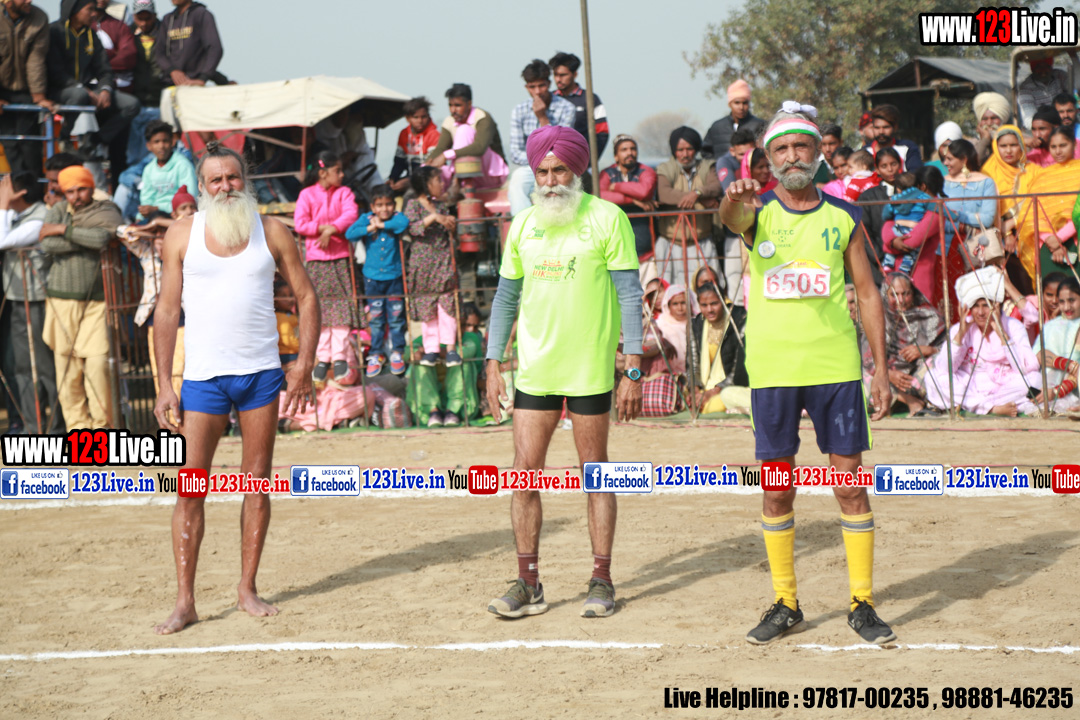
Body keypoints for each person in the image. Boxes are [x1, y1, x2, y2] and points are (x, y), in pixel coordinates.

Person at [719, 101, 894, 645]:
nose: (792, 156)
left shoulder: (844, 216)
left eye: (801, 146)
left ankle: (862, 603)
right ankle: (786, 603)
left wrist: (880, 369)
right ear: (768, 159)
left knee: (850, 486)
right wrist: (733, 199)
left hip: (835, 368)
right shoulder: (756, 211)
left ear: (819, 153)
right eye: (781, 149)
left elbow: (868, 293)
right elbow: (731, 220)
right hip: (772, 371)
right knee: (778, 492)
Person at [151, 143, 319, 635]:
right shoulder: (182, 234)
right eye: (215, 180)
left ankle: (247, 588)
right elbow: (167, 310)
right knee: (191, 488)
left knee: (257, 482)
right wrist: (164, 385)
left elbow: (307, 297)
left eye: (233, 177)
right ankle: (185, 601)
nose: (225, 186)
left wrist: (304, 364)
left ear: (246, 179)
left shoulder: (273, 232)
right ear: (202, 187)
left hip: (261, 375)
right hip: (202, 379)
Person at [484, 125, 642, 619]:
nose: (551, 181)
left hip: (591, 371)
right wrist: (493, 362)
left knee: (596, 475)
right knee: (523, 474)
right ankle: (528, 583)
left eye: (560, 171)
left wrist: (633, 367)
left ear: (578, 171)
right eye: (542, 172)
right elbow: (505, 299)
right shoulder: (523, 226)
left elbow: (630, 296)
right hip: (535, 372)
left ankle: (602, 580)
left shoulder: (608, 219)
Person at [39, 165, 122, 429]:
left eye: (82, 189)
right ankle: (79, 432)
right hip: (60, 301)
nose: (76, 196)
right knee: (68, 373)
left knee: (98, 368)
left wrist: (63, 231)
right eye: (70, 191)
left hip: (97, 301)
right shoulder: (58, 210)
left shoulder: (104, 209)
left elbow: (101, 237)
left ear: (91, 188)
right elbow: (46, 242)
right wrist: (80, 238)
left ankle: (103, 432)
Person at [925, 268, 1042, 416]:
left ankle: (973, 406)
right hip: (970, 386)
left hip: (1003, 386)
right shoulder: (962, 327)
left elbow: (1024, 369)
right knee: (932, 377)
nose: (980, 312)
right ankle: (991, 408)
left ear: (996, 305)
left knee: (1035, 380)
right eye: (975, 306)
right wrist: (961, 334)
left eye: (986, 305)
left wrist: (1002, 334)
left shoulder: (1013, 326)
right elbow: (944, 369)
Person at [293, 150, 360, 386]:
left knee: (342, 308)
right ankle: (322, 357)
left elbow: (351, 214)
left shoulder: (345, 193)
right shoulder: (307, 195)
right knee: (318, 308)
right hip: (316, 260)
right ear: (323, 173)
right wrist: (325, 228)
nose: (341, 175)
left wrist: (333, 229)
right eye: (337, 171)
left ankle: (340, 356)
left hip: (341, 258)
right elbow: (300, 223)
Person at [0, 172, 60, 433]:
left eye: (5, 187)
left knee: (46, 367)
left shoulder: (39, 218)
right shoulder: (14, 216)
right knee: (22, 367)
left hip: (36, 300)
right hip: (16, 298)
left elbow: (1, 241)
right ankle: (32, 427)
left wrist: (3, 205)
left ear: (20, 192)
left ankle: (55, 427)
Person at [46, 0, 140, 164]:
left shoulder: (91, 35)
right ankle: (64, 138)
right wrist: (81, 88)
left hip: (87, 89)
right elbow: (55, 71)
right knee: (79, 94)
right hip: (59, 89)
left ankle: (95, 140)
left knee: (132, 104)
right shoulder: (54, 31)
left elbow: (104, 69)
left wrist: (105, 90)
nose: (94, 14)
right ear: (75, 10)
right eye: (89, 10)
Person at [860, 272, 945, 416]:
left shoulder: (929, 316)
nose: (901, 300)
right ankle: (906, 400)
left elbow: (951, 350)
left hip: (915, 381)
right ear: (885, 295)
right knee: (861, 375)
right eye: (894, 295)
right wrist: (888, 374)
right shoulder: (878, 320)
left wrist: (928, 350)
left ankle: (927, 402)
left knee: (940, 363)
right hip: (887, 383)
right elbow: (867, 359)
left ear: (913, 293)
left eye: (906, 294)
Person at [346, 184, 408, 377]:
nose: (384, 209)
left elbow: (403, 224)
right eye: (379, 205)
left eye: (388, 204)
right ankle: (376, 353)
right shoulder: (366, 219)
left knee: (396, 318)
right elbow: (350, 234)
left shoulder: (396, 218)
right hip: (372, 279)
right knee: (376, 319)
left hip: (394, 278)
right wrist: (370, 227)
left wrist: (381, 225)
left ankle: (397, 352)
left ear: (394, 205)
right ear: (373, 207)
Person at [404, 167, 459, 367]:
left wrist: (450, 222)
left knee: (447, 305)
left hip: (443, 262)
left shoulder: (442, 206)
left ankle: (450, 348)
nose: (442, 184)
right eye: (438, 180)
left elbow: (451, 231)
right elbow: (412, 228)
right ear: (426, 184)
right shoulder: (413, 205)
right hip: (423, 266)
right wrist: (434, 218)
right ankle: (431, 349)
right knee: (427, 307)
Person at [654, 126, 721, 288]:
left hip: (702, 240)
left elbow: (716, 187)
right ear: (674, 151)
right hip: (671, 242)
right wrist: (700, 199)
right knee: (671, 291)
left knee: (708, 288)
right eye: (680, 150)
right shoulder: (665, 168)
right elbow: (664, 193)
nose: (685, 154)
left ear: (696, 149)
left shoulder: (707, 166)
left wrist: (697, 193)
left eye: (689, 149)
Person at [507, 60, 576, 217]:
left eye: (541, 86)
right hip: (531, 167)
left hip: (559, 165)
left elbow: (562, 148)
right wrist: (539, 161)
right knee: (517, 181)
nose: (537, 92)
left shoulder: (566, 108)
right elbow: (515, 153)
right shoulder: (519, 111)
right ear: (527, 87)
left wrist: (542, 117)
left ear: (549, 84)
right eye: (532, 87)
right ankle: (524, 224)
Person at [1018, 126, 1080, 283]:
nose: (1058, 151)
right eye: (1053, 147)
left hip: (1075, 241)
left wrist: (1060, 237)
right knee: (1050, 292)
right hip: (1047, 246)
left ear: (1074, 144)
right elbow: (1032, 215)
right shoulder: (1042, 176)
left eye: (1063, 145)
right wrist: (1050, 239)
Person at [0, 0, 53, 177]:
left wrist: (38, 96)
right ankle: (18, 187)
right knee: (9, 143)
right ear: (7, 2)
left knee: (30, 144)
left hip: (26, 90)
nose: (29, 1)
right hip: (2, 91)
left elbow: (36, 60)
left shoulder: (39, 18)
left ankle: (34, 189)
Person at [425, 83, 509, 192]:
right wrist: (426, 166)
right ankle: (455, 183)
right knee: (430, 172)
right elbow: (441, 149)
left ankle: (459, 182)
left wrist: (446, 155)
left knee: (464, 130)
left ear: (469, 104)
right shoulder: (449, 121)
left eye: (457, 105)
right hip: (462, 172)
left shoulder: (482, 117)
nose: (453, 110)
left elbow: (479, 148)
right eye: (450, 105)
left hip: (491, 173)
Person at [688, 281, 748, 414]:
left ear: (723, 301)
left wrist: (714, 392)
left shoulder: (738, 320)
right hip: (704, 387)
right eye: (704, 305)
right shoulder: (696, 324)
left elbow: (738, 370)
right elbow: (692, 364)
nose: (709, 309)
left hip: (730, 387)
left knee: (716, 404)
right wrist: (695, 392)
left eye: (714, 303)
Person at [598, 133, 656, 257]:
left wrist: (616, 187)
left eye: (633, 149)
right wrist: (632, 200)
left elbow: (644, 191)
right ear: (616, 156)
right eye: (624, 150)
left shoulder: (646, 171)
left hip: (645, 249)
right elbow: (599, 196)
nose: (630, 153)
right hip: (615, 247)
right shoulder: (606, 174)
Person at [940, 139, 998, 253]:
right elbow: (937, 220)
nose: (945, 163)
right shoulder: (942, 183)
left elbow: (987, 219)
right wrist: (965, 226)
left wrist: (956, 215)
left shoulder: (986, 183)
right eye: (945, 159)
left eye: (949, 159)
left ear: (964, 160)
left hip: (977, 249)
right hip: (944, 248)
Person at [128, 0, 168, 166]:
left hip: (160, 103)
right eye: (140, 18)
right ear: (134, 17)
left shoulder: (166, 35)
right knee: (133, 155)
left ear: (155, 16)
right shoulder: (127, 36)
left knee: (158, 154)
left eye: (148, 18)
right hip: (136, 105)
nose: (144, 23)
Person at [1032, 276, 1080, 412]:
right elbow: (1039, 355)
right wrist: (1067, 364)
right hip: (1048, 382)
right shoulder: (1050, 326)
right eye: (1062, 302)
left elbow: (1077, 371)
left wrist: (1056, 391)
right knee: (1026, 383)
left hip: (1073, 386)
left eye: (1072, 300)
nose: (1067, 307)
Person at [549, 51, 609, 157]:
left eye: (563, 75)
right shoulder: (549, 99)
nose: (558, 79)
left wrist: (588, 160)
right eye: (555, 75)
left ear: (575, 74)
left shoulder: (590, 99)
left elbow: (602, 132)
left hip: (580, 158)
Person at [858, 147, 903, 285]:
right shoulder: (868, 197)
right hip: (878, 261)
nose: (890, 169)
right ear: (877, 169)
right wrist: (879, 259)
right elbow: (865, 233)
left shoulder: (911, 192)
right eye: (884, 166)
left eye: (893, 164)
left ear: (900, 164)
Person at [155, 0, 222, 87]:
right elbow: (159, 52)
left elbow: (215, 48)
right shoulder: (168, 19)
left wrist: (203, 78)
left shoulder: (201, 14)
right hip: (170, 83)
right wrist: (172, 70)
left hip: (194, 83)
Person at [137, 119, 197, 217]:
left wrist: (158, 208)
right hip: (154, 215)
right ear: (149, 146)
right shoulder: (149, 169)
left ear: (172, 142)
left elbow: (190, 199)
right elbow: (146, 199)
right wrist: (141, 215)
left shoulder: (183, 165)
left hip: (179, 215)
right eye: (156, 142)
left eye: (165, 141)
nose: (161, 146)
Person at [881, 173, 931, 273]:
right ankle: (904, 269)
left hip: (897, 228)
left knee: (891, 247)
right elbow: (934, 207)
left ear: (898, 189)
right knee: (912, 252)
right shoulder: (923, 197)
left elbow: (885, 215)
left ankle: (887, 264)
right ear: (918, 186)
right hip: (912, 230)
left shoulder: (894, 199)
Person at [388, 97, 440, 194]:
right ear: (407, 118)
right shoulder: (404, 134)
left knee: (410, 194)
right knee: (386, 192)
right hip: (410, 178)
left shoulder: (434, 135)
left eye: (423, 117)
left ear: (428, 116)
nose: (420, 121)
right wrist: (393, 178)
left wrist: (410, 181)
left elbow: (430, 167)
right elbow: (399, 161)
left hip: (428, 180)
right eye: (416, 117)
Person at [702, 79, 764, 160]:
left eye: (745, 103)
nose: (741, 107)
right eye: (737, 103)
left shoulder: (760, 125)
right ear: (729, 104)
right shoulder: (717, 127)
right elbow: (705, 151)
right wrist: (717, 165)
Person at [653, 283, 697, 375]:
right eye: (675, 304)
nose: (680, 308)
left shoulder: (697, 323)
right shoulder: (660, 325)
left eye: (683, 303)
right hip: (669, 376)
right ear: (668, 305)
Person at [1018, 57, 1070, 130]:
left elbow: (1076, 85)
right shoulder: (1026, 88)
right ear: (1032, 69)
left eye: (1046, 66)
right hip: (1044, 127)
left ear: (1051, 67)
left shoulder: (1059, 75)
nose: (1043, 71)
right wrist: (1048, 127)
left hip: (1065, 122)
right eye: (1039, 67)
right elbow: (1029, 117)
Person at [868, 104, 922, 172]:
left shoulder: (907, 148)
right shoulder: (865, 152)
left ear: (895, 127)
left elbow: (916, 174)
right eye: (877, 128)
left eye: (886, 127)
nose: (881, 132)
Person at [971, 92, 1011, 166]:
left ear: (1002, 120)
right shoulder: (972, 144)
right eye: (985, 119)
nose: (989, 123)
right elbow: (974, 163)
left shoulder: (1013, 141)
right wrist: (985, 139)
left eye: (994, 118)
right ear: (979, 123)